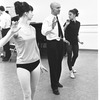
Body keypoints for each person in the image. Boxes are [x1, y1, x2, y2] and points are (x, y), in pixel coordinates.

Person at [0, 1, 47, 100]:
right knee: (27, 94)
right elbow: (1, 43)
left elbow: (35, 47)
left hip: (35, 63)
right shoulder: (16, 29)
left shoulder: (32, 29)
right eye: (31, 12)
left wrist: (40, 62)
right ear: (26, 12)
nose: (33, 14)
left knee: (33, 91)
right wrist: (10, 33)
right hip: (23, 65)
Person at [42, 2, 69, 95]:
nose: (59, 9)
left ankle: (56, 81)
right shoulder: (47, 19)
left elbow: (61, 30)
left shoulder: (60, 18)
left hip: (60, 42)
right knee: (53, 65)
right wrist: (51, 27)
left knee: (59, 63)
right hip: (52, 43)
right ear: (52, 8)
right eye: (57, 8)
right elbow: (43, 32)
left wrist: (64, 39)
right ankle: (54, 86)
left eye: (60, 7)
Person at [64, 8, 83, 79]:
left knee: (76, 54)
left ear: (74, 15)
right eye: (68, 14)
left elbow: (76, 33)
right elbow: (63, 30)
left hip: (75, 41)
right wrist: (66, 24)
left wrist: (79, 41)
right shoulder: (67, 22)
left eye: (70, 14)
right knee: (69, 55)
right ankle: (70, 71)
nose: (69, 16)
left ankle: (71, 66)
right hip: (68, 42)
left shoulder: (78, 23)